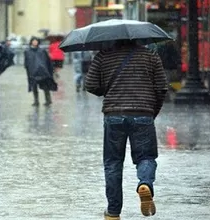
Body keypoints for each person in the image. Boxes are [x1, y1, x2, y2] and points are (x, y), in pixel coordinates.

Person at [85, 40, 168, 220]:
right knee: (145, 156)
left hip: (114, 114)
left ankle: (113, 212)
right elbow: (161, 88)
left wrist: (108, 88)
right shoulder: (150, 55)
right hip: (143, 113)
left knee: (113, 162)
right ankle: (144, 183)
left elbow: (90, 85)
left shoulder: (103, 55)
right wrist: (152, 111)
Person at [24, 37, 57, 107]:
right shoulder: (27, 51)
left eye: (36, 41)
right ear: (31, 42)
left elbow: (47, 61)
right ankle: (36, 101)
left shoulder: (42, 51)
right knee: (34, 87)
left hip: (42, 71)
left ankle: (48, 100)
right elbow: (27, 62)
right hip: (32, 72)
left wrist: (48, 69)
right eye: (33, 41)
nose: (35, 42)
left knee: (45, 87)